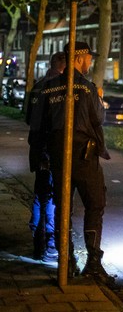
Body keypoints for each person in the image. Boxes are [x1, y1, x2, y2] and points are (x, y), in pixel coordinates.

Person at [38, 42, 113, 285]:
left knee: (63, 209)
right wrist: (99, 99)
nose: (90, 62)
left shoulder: (48, 88)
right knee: (95, 204)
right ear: (79, 58)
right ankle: (92, 264)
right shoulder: (88, 88)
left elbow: (37, 123)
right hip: (83, 155)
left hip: (57, 156)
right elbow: (98, 119)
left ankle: (66, 261)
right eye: (89, 57)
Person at [26, 51, 65, 262]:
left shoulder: (37, 86)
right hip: (49, 150)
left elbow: (28, 119)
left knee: (39, 194)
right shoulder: (56, 88)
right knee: (50, 197)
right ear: (62, 65)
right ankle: (50, 244)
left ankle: (36, 240)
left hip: (36, 147)